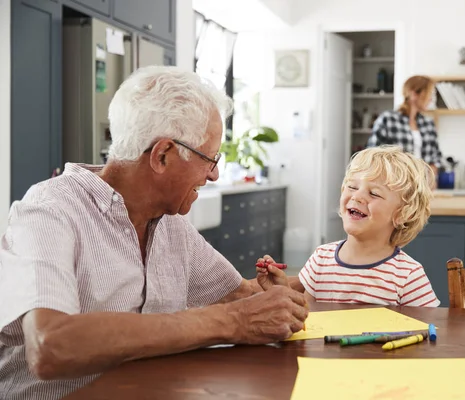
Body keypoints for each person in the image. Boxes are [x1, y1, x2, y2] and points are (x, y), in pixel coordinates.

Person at [0, 66, 308, 400]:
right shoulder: (49, 211)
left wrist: (273, 294)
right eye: (210, 158)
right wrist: (231, 321)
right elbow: (51, 345)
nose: (215, 174)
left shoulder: (170, 222)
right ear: (162, 155)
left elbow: (236, 295)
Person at [257, 146, 440, 307]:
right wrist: (282, 290)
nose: (357, 196)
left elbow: (429, 331)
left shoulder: (408, 275)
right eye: (352, 187)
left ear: (401, 215)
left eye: (374, 193)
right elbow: (307, 318)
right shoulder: (321, 259)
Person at [366, 75, 442, 176]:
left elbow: (436, 157)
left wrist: (430, 178)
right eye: (429, 94)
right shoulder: (388, 119)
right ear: (414, 93)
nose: (431, 100)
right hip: (394, 184)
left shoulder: (428, 123)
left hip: (422, 186)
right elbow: (373, 155)